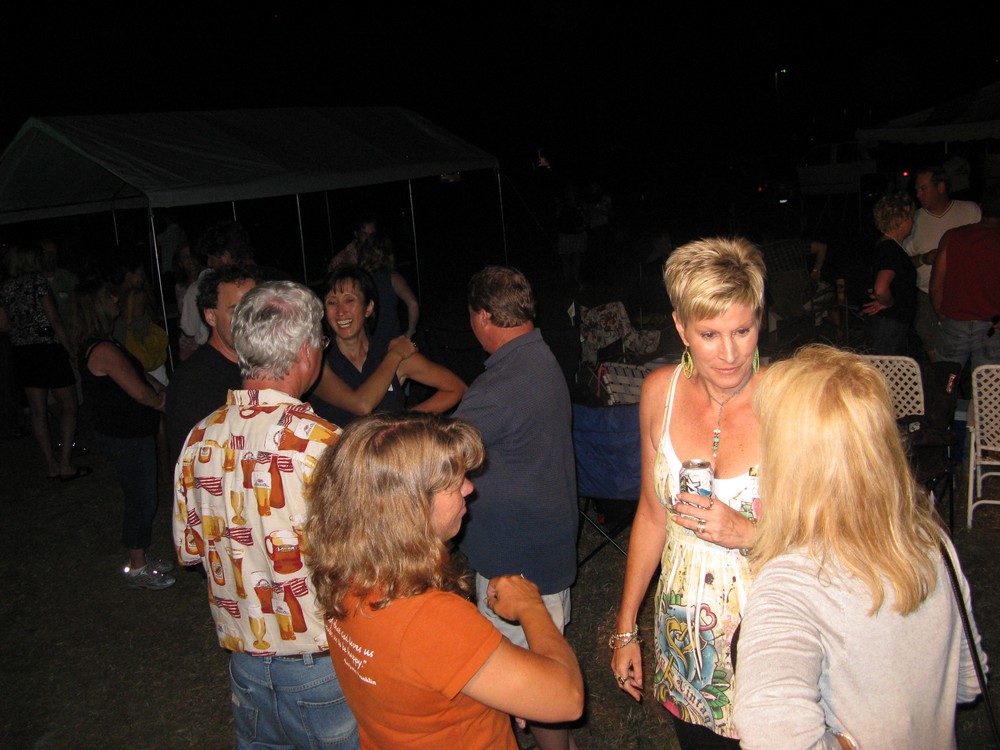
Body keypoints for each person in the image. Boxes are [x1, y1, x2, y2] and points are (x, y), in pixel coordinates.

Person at [733, 345, 985, 749]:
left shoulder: (792, 585)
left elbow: (772, 734)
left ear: (791, 460)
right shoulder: (930, 542)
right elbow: (969, 681)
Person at [308, 411, 584, 749]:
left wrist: (503, 687)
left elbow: (424, 676)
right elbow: (567, 697)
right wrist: (530, 606)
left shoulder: (346, 574)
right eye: (453, 484)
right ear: (410, 508)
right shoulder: (428, 618)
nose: (469, 488)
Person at [172, 280, 359, 750]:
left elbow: (190, 550)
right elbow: (363, 563)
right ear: (306, 353)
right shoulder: (325, 445)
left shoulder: (199, 438)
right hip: (322, 665)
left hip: (245, 663)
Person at [611, 237, 766, 748]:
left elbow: (837, 535)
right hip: (684, 639)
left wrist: (749, 532)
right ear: (680, 327)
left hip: (771, 635)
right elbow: (652, 515)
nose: (730, 353)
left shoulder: (790, 401)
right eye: (710, 334)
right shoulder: (661, 391)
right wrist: (626, 627)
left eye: (743, 330)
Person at [453, 265, 579, 750]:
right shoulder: (537, 358)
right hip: (541, 545)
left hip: (518, 561)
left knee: (536, 687)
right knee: (537, 678)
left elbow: (443, 454)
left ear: (483, 316)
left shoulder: (502, 386)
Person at [75, 279, 173, 589]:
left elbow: (140, 375)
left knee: (142, 494)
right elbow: (139, 391)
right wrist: (162, 403)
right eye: (109, 296)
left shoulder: (106, 342)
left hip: (127, 431)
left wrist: (166, 392)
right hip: (124, 434)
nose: (116, 300)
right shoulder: (103, 349)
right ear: (97, 305)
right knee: (141, 498)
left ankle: (140, 557)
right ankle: (137, 567)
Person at [308, 265, 465, 428]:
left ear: (368, 308)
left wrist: (404, 421)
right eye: (332, 302)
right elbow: (362, 405)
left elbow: (456, 388)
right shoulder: (318, 362)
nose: (340, 312)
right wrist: (394, 356)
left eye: (349, 300)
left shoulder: (385, 350)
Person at [0, 244, 88, 480]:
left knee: (38, 411)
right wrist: (69, 348)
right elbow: (54, 318)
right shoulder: (37, 282)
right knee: (68, 405)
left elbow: (3, 324)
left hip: (23, 352)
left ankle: (51, 464)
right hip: (47, 348)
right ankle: (65, 463)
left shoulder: (5, 288)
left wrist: (22, 328)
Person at [164, 263, 260, 466]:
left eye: (254, 308)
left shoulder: (261, 363)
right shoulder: (195, 383)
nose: (249, 319)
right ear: (210, 316)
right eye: (236, 310)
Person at [904, 167, 981, 360]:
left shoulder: (969, 211)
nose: (918, 194)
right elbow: (903, 264)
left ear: (940, 187)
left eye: (923, 189)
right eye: (916, 190)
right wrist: (924, 259)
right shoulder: (914, 219)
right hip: (927, 298)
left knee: (973, 352)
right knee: (937, 355)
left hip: (964, 297)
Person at [931, 184, 1000, 370]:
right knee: (987, 384)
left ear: (981, 207)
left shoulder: (953, 236)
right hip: (992, 326)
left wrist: (943, 317)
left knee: (945, 380)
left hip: (955, 322)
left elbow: (936, 285)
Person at [861, 192, 918, 355]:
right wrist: (889, 302)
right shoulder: (890, 249)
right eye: (911, 217)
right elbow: (880, 288)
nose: (913, 222)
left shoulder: (886, 246)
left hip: (888, 324)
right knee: (886, 367)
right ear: (900, 220)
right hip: (889, 325)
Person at [356, 231, 419, 340]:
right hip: (392, 340)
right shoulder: (393, 278)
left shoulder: (359, 279)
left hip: (367, 340)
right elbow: (413, 304)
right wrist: (409, 332)